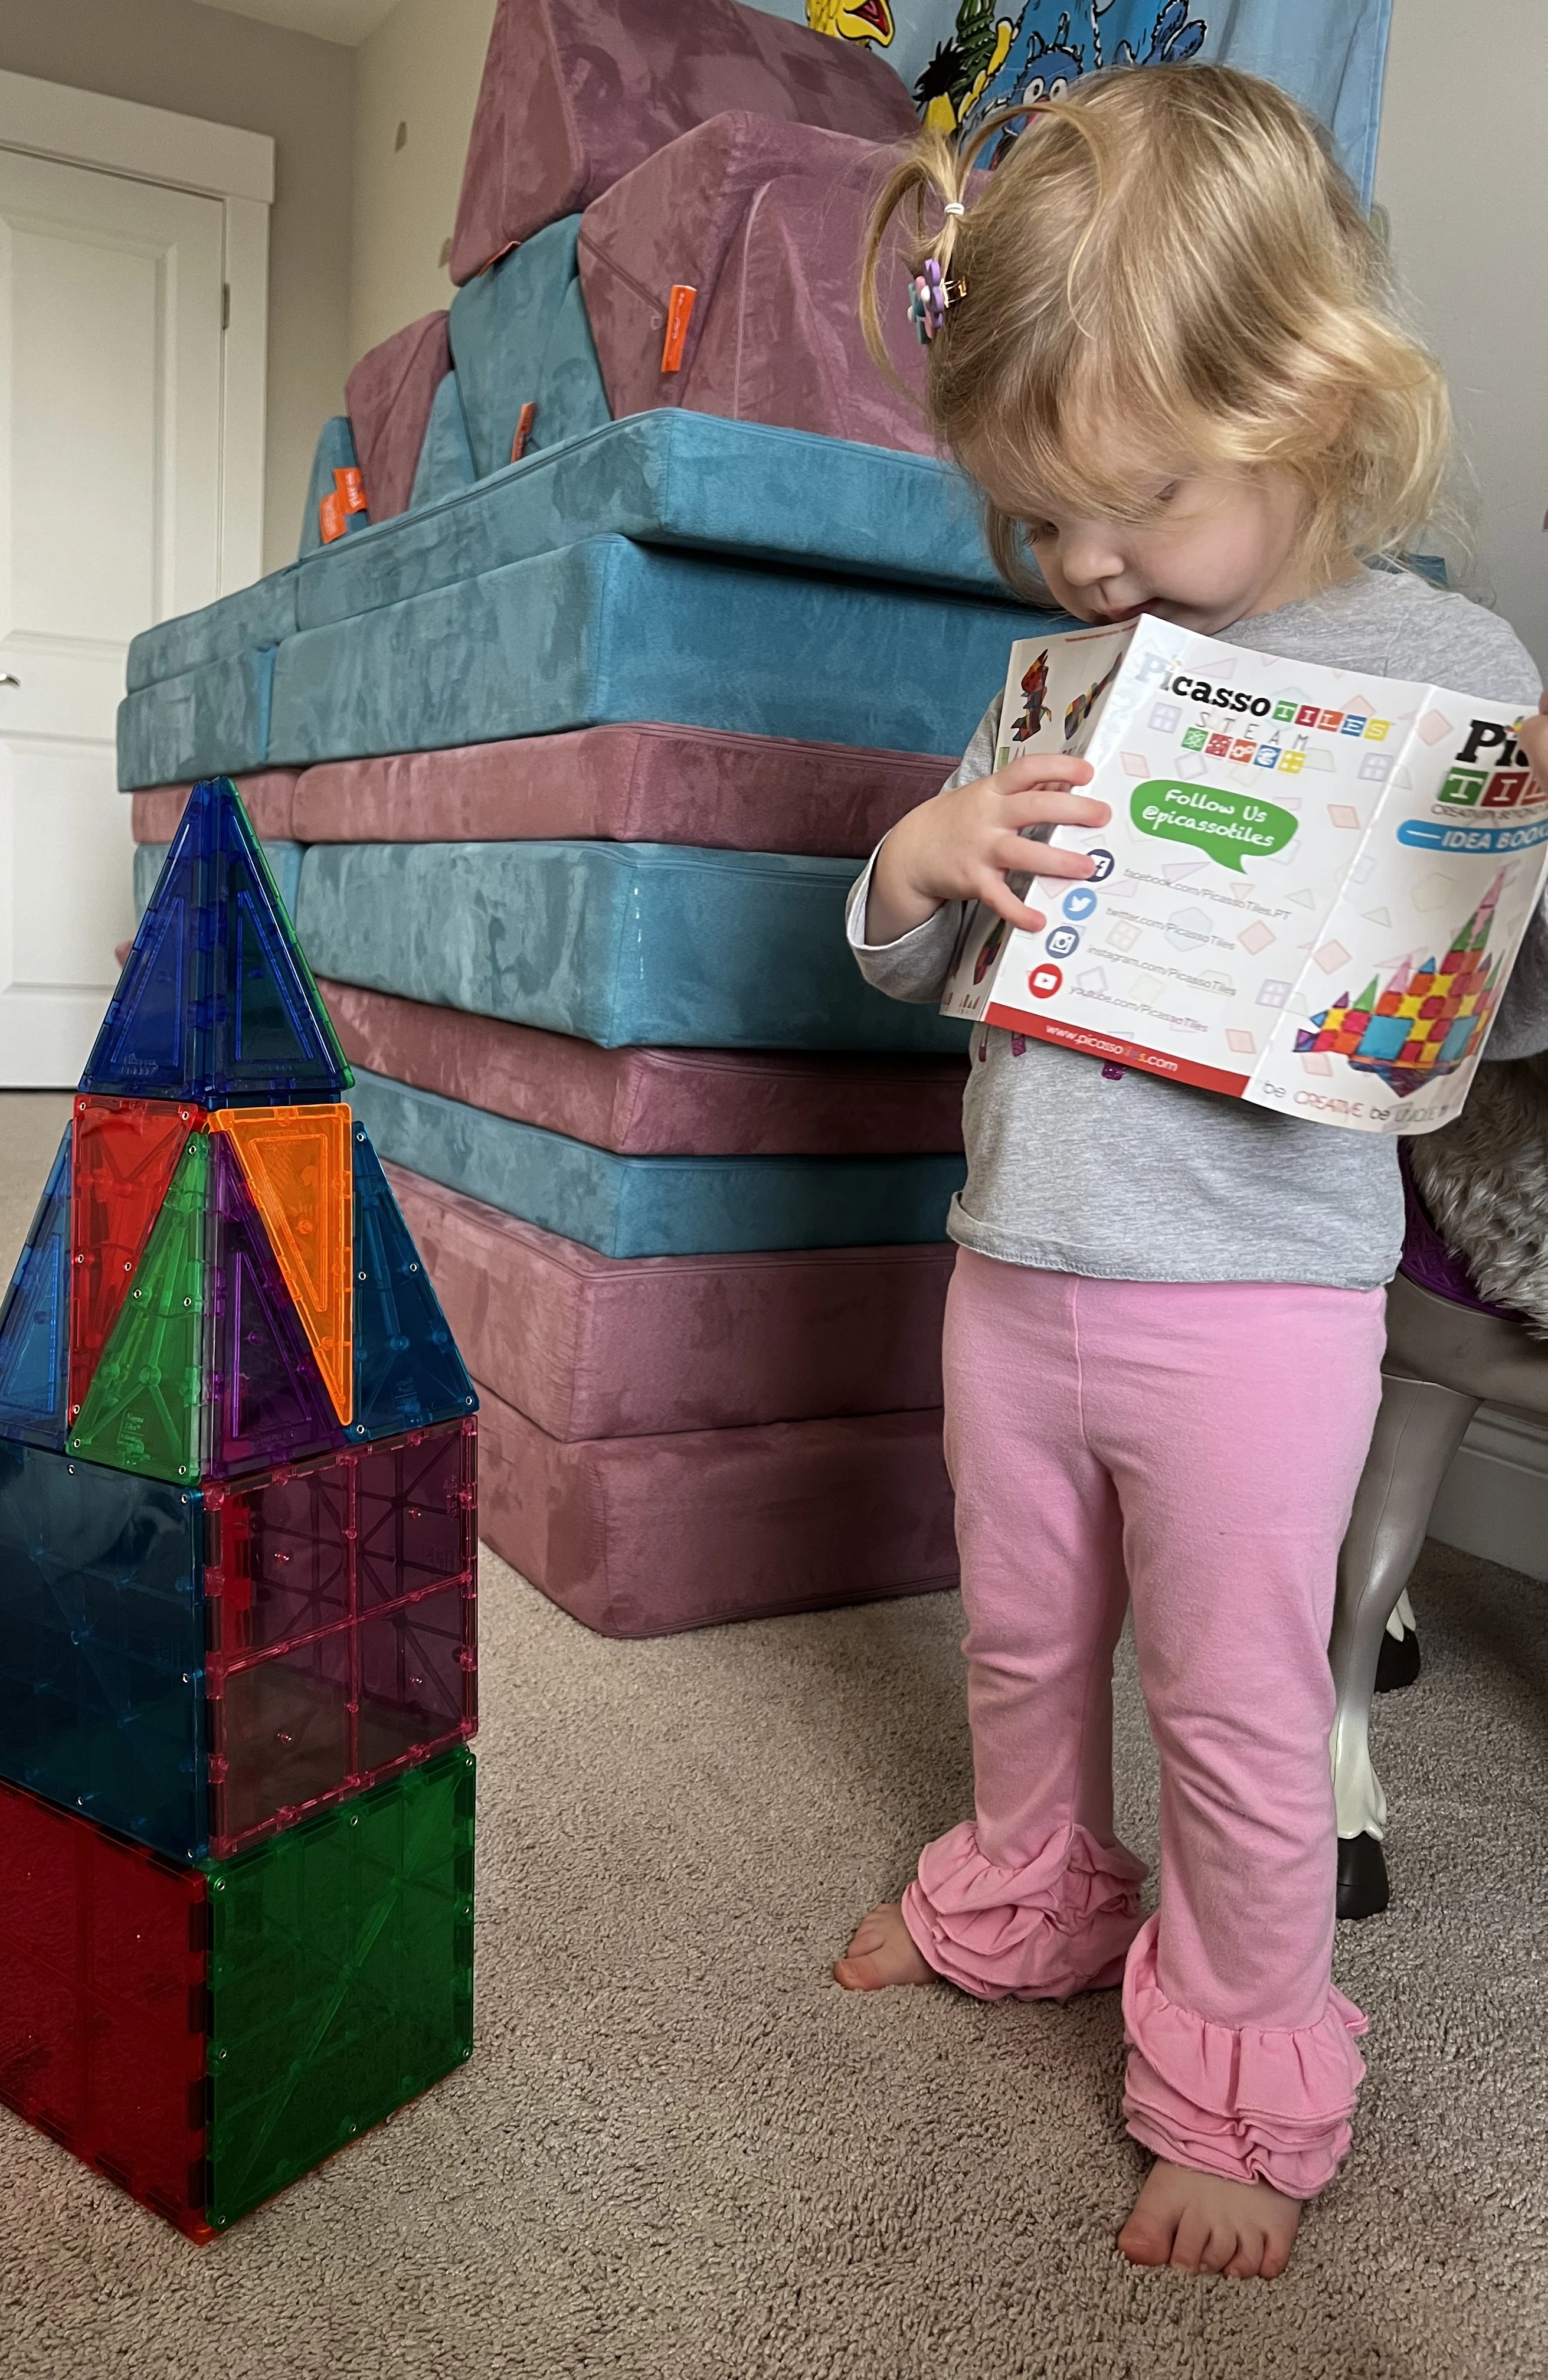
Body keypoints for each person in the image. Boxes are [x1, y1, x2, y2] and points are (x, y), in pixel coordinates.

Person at [835, 62, 1548, 2280]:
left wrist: (1477, 927)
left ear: (1309, 400)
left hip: (1258, 1298)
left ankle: (1242, 2066)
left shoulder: (1454, 667)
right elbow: (918, 960)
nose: (1092, 561)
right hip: (1015, 1257)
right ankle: (1029, 1890)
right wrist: (919, 853)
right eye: (1043, 521)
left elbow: (1492, 1021)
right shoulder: (1065, 673)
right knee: (1024, 1642)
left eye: (1137, 498)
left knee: (1233, 1697)